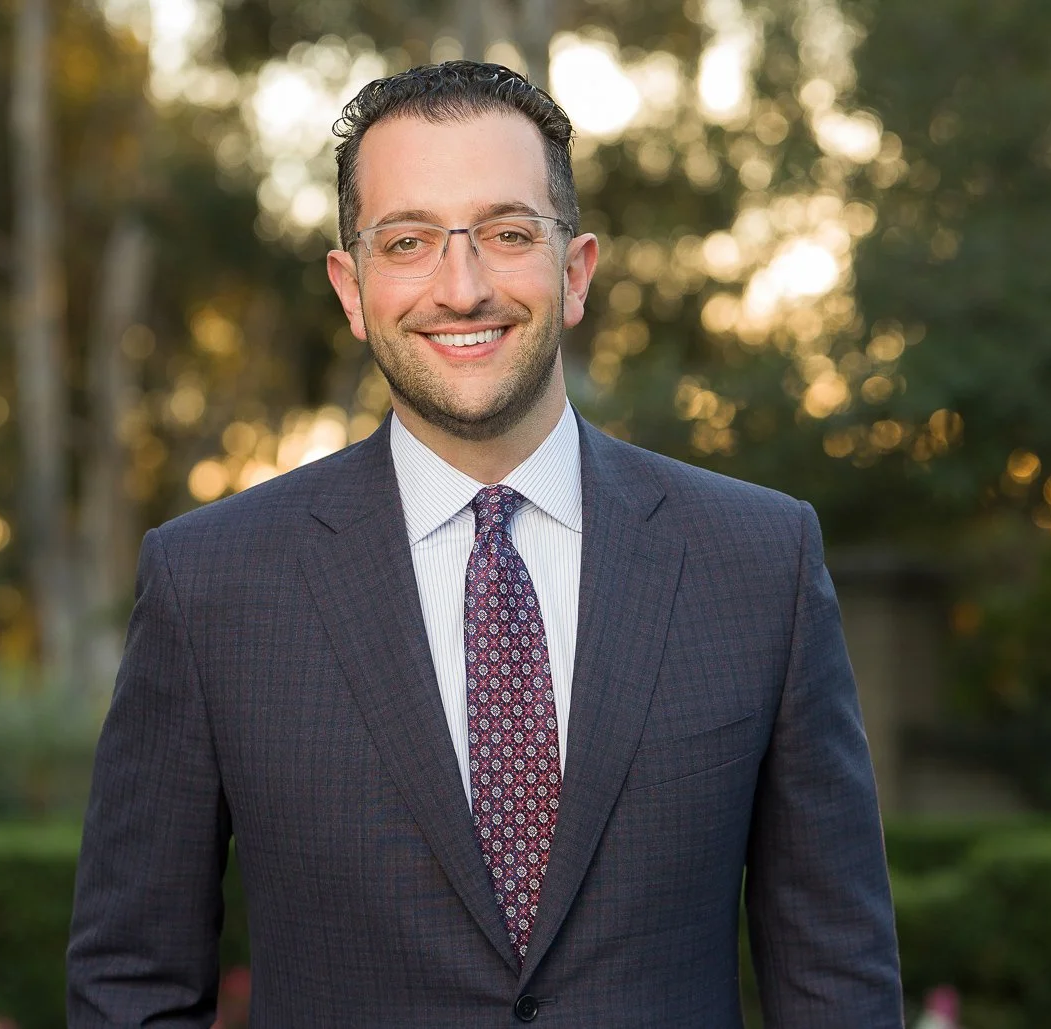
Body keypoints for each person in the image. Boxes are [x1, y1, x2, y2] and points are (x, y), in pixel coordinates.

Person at [67, 60, 902, 1027]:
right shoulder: (209, 584)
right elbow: (131, 983)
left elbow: (838, 978)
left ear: (575, 269)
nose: (461, 288)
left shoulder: (762, 562)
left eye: (507, 234)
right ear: (351, 286)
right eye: (409, 241)